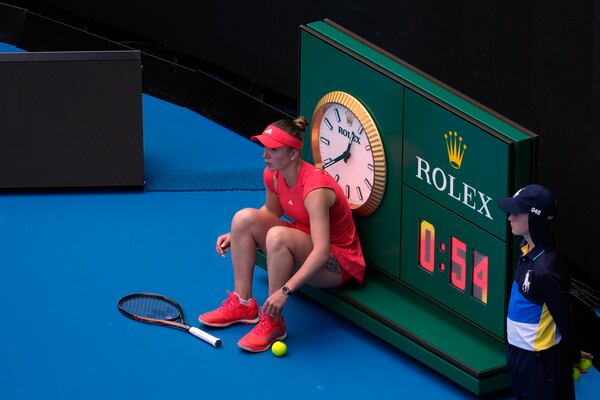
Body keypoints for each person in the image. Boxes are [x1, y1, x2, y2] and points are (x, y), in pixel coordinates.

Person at [198, 116, 366, 352]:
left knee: (277, 235)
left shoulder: (315, 189)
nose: (265, 155)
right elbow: (270, 211)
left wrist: (285, 291)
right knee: (242, 218)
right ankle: (243, 303)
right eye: (265, 147)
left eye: (273, 150)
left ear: (293, 154)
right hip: (302, 240)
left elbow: (321, 251)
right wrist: (236, 233)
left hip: (338, 263)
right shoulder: (273, 174)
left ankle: (273, 321)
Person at [497, 184, 583, 399]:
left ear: (535, 218)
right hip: (518, 356)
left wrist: (571, 355)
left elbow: (565, 317)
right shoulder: (526, 250)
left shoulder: (547, 269)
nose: (510, 217)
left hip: (542, 364)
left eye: (516, 213)